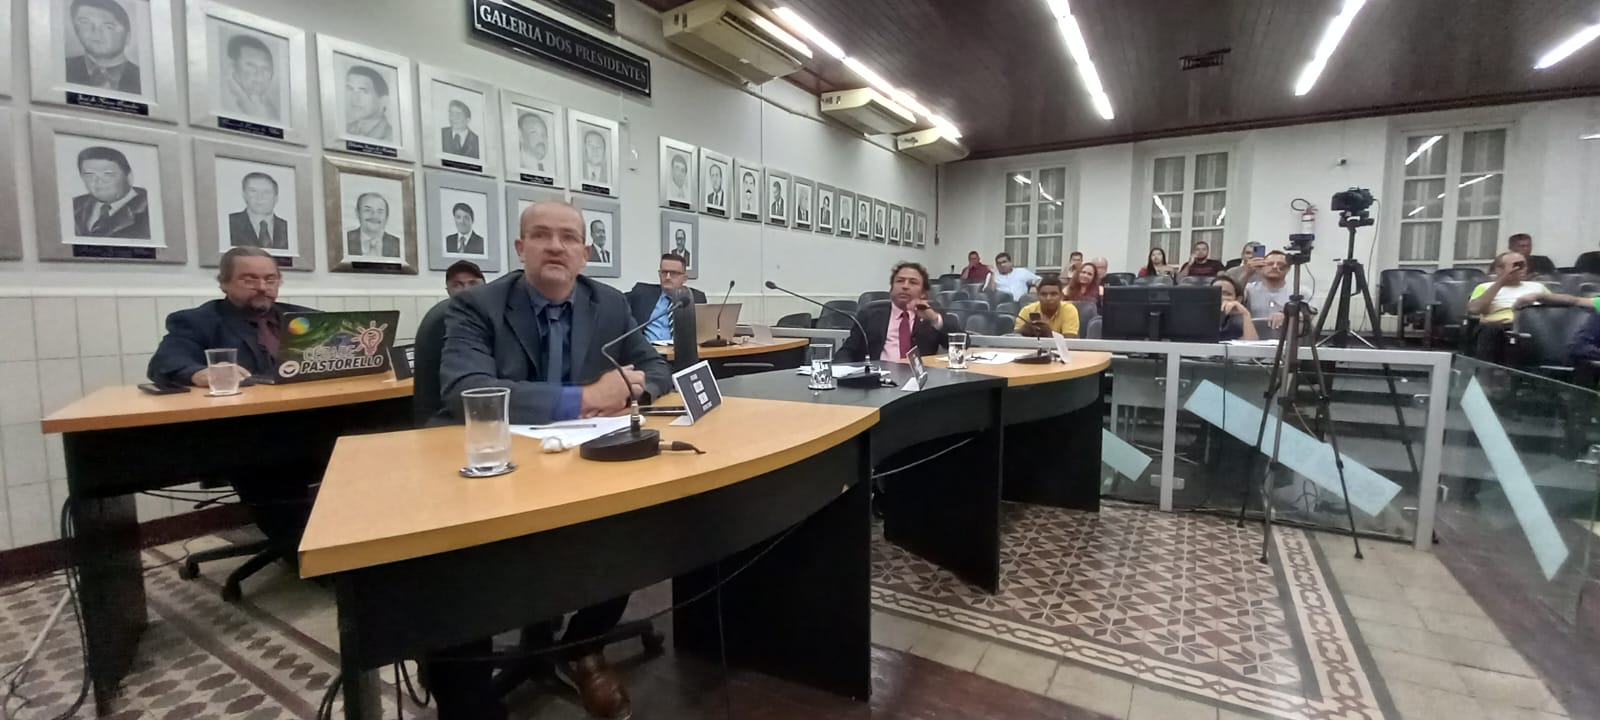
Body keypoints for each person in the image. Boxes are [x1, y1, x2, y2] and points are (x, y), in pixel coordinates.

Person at [433, 200, 671, 720]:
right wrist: (586, 398)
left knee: (637, 522)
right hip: (492, 463)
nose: (556, 246)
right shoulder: (476, 306)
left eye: (568, 237)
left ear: (585, 252)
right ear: (521, 248)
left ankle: (583, 644)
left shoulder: (609, 304)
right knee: (449, 581)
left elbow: (655, 368)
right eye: (541, 235)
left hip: (577, 459)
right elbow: (468, 390)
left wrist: (635, 389)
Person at [148, 246, 308, 385]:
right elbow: (165, 363)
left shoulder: (304, 317)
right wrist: (198, 373)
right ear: (224, 283)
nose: (262, 287)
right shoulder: (197, 322)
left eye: (270, 280)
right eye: (249, 280)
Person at [836, 261, 948, 362]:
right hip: (879, 375)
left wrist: (935, 319)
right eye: (900, 281)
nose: (905, 286)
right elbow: (847, 351)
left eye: (913, 282)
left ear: (923, 293)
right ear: (891, 288)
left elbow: (955, 345)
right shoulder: (870, 314)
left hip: (920, 376)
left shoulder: (932, 314)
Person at [1467, 251, 1548, 363]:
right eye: (1516, 265)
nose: (1521, 269)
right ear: (1499, 269)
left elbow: (1558, 304)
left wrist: (1538, 296)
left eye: (1523, 265)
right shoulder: (1485, 287)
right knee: (1492, 330)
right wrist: (1502, 281)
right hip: (1499, 329)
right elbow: (1475, 309)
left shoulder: (1537, 287)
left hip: (1532, 327)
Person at [71, 146, 150, 239]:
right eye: (89, 175)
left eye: (108, 174)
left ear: (129, 176)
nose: (98, 181)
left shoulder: (150, 210)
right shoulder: (74, 206)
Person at [65, 0, 141, 94]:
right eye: (85, 22)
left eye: (108, 26)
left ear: (128, 36)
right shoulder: (62, 69)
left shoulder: (143, 79)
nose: (96, 32)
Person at [627, 254, 707, 342]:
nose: (668, 277)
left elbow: (703, 332)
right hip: (648, 348)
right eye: (664, 272)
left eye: (673, 273)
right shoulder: (642, 293)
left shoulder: (695, 298)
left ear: (684, 278)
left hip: (681, 349)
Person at [221, 34, 279, 120]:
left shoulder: (272, 110)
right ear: (232, 67)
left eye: (265, 68)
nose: (259, 74)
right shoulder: (223, 104)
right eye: (251, 65)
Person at [227, 172, 289, 250]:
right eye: (253, 191)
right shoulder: (230, 223)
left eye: (266, 192)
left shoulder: (287, 227)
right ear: (244, 194)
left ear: (276, 197)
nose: (260, 197)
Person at [1014, 275, 1078, 338]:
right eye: (1044, 294)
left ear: (1061, 296)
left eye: (1053, 294)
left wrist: (1048, 332)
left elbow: (1070, 340)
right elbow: (1015, 337)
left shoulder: (1069, 310)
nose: (1048, 298)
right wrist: (1024, 329)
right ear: (1037, 296)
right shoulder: (1027, 310)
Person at [1244, 251, 1293, 330]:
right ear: (1262, 267)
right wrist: (1246, 274)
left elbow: (1309, 316)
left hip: (1286, 335)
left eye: (1280, 264)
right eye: (1270, 264)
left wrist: (1286, 315)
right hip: (1254, 334)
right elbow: (1235, 297)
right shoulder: (1249, 289)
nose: (1274, 267)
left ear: (1288, 269)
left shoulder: (1299, 292)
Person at [344, 65, 393, 141]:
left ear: (384, 101)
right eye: (350, 89)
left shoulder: (391, 137)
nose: (354, 98)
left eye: (363, 91)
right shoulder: (345, 129)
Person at [1213, 275, 1258, 341]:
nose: (1221, 297)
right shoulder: (1199, 316)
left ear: (1238, 299)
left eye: (1227, 294)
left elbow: (1251, 344)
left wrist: (1245, 314)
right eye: (1216, 292)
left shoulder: (1240, 322)